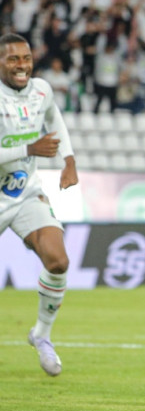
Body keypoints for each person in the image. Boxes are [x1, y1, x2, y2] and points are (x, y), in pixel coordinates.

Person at [0, 33, 79, 376]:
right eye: (13, 59)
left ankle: (41, 335)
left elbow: (55, 117)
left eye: (26, 58)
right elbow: (28, 146)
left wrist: (69, 159)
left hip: (25, 191)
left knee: (58, 261)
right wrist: (29, 150)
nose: (22, 65)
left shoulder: (42, 89)